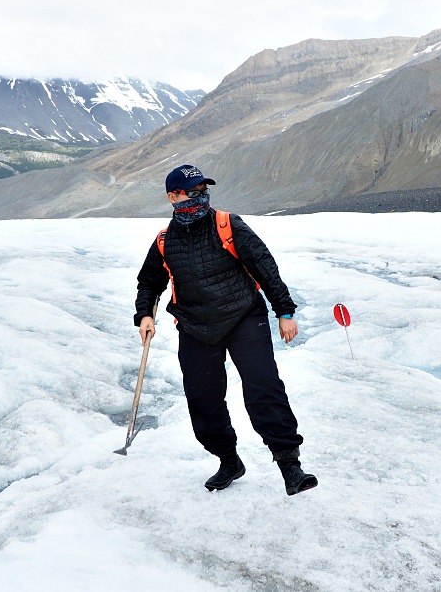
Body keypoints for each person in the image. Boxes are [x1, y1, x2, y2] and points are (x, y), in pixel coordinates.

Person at [134, 164, 317, 496]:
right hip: (195, 326)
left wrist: (284, 311)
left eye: (204, 191)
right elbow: (149, 282)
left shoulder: (228, 225)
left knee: (263, 387)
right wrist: (144, 314)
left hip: (244, 316)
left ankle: (290, 464)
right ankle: (229, 460)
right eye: (194, 192)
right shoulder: (164, 242)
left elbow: (265, 266)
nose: (201, 197)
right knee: (203, 401)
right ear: (173, 197)